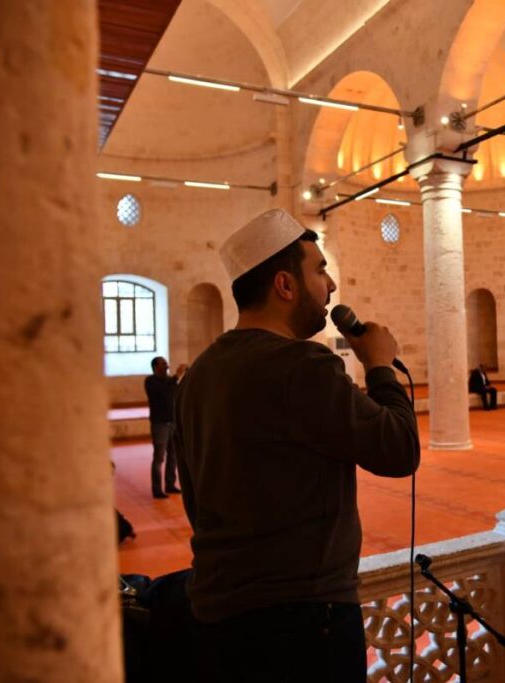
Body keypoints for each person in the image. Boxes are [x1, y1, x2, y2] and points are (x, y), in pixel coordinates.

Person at [174, 209, 420, 681]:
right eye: (320, 270)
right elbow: (399, 449)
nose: (330, 287)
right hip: (304, 627)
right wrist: (381, 368)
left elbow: (194, 500)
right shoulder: (302, 364)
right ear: (285, 286)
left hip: (216, 620)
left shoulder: (199, 374)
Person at [145, 356, 187, 499]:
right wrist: (176, 376)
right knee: (159, 457)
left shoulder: (170, 381)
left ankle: (170, 484)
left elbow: (175, 393)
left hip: (172, 422)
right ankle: (157, 489)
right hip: (159, 424)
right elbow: (162, 392)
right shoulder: (151, 381)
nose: (167, 366)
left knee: (173, 456)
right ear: (155, 367)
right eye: (163, 364)